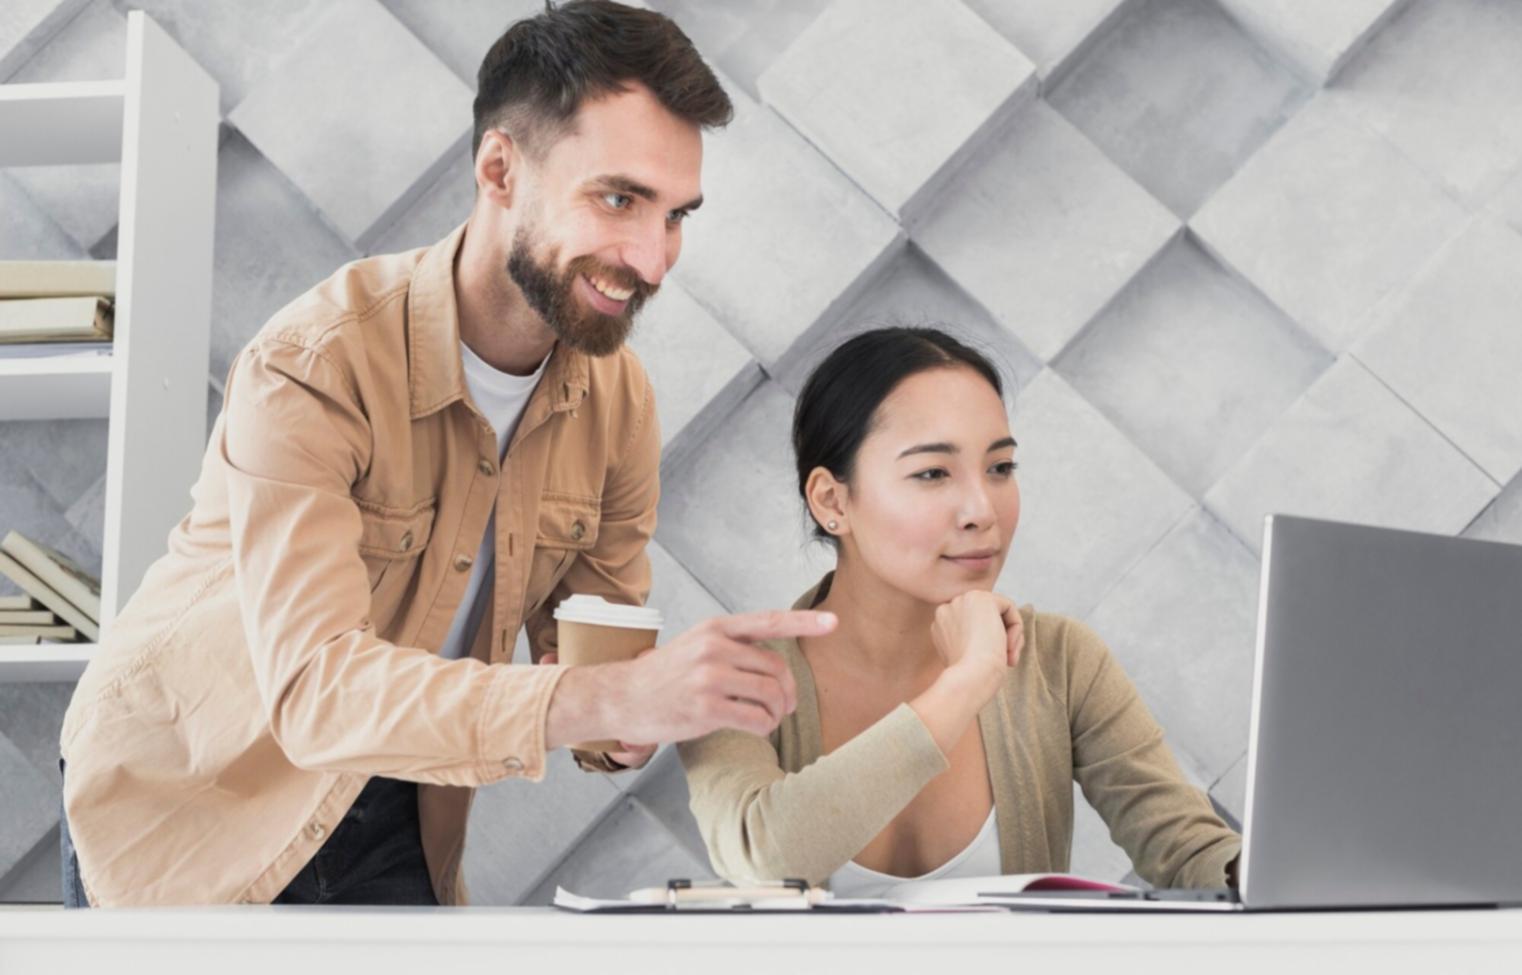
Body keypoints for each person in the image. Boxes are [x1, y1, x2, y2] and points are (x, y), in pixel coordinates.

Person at [57, 0, 827, 908]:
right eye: (619, 200)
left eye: (675, 216)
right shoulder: (315, 363)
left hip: (401, 806)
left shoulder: (619, 403)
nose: (653, 261)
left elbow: (590, 654)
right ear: (500, 168)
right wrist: (605, 700)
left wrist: (644, 706)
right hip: (191, 800)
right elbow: (315, 693)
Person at [679, 327, 1240, 897]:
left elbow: (1190, 850)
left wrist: (1254, 867)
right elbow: (763, 858)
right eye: (932, 473)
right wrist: (967, 684)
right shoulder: (732, 676)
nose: (981, 510)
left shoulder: (1061, 661)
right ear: (832, 501)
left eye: (1000, 468)